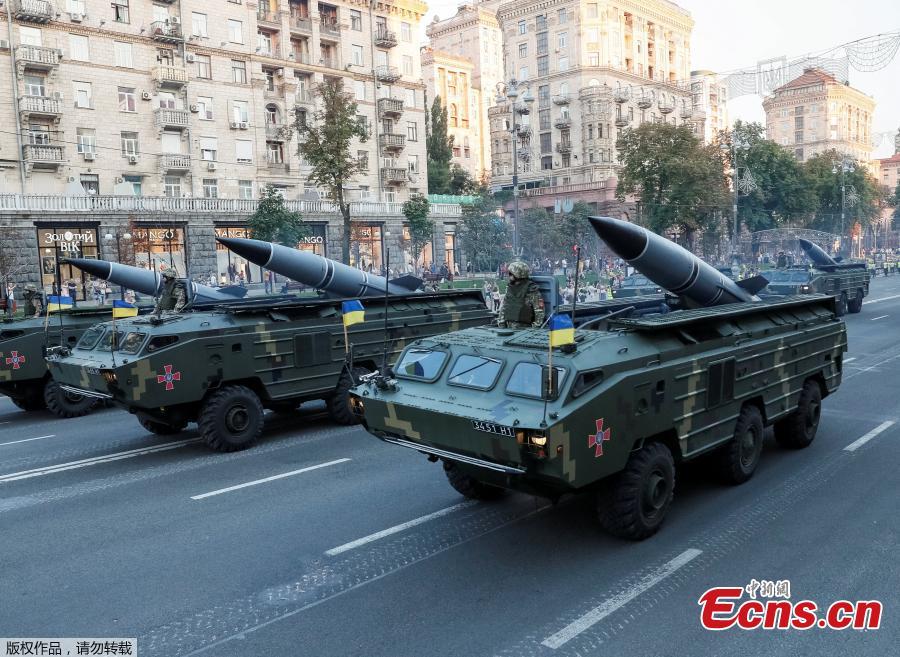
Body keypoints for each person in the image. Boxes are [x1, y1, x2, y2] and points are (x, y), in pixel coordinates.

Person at [498, 261, 545, 329]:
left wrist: (534, 329)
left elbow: (539, 312)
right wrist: (501, 324)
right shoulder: (510, 288)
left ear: (517, 275)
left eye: (510, 274)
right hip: (508, 328)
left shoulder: (531, 290)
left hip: (524, 330)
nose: (508, 275)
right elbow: (504, 307)